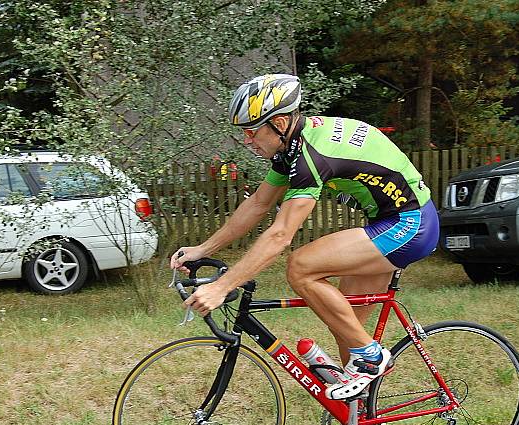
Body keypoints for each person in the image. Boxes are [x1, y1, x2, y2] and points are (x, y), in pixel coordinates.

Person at [170, 73, 439, 406]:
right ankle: (360, 420)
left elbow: (281, 235)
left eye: (252, 132)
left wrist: (222, 286)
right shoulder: (292, 148)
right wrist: (202, 249)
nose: (247, 141)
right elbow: (258, 204)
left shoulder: (311, 156)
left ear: (280, 123)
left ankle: (372, 357)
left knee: (300, 266)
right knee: (347, 328)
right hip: (388, 222)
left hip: (409, 225)